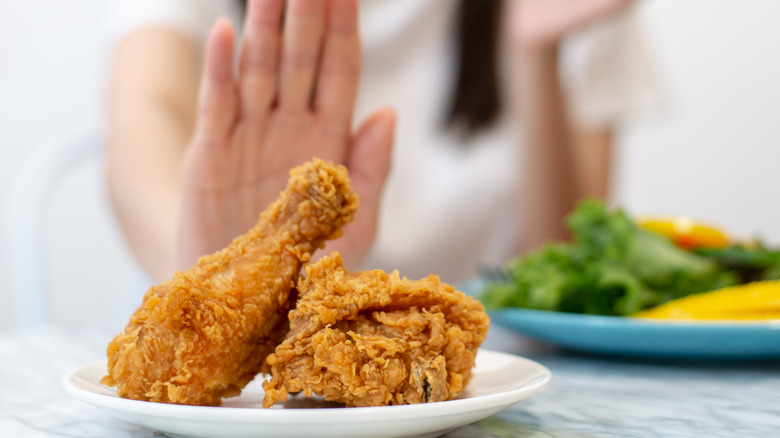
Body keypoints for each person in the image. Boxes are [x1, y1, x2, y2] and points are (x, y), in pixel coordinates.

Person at [105, 0, 663, 287]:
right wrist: (216, 274)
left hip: (483, 389)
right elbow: (142, 113)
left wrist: (532, 53)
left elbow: (558, 270)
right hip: (237, 396)